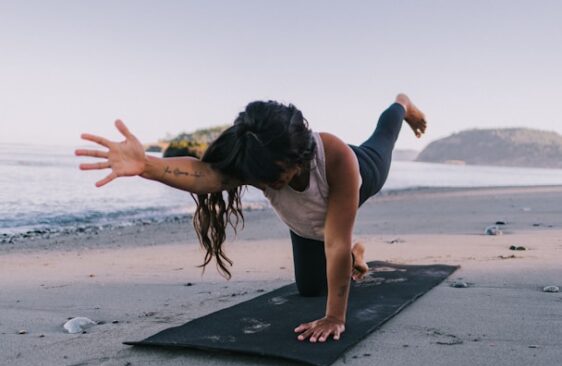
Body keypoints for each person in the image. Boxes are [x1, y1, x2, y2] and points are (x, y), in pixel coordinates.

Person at [75, 93, 426, 343]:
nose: (268, 184)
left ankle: (401, 103)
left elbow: (334, 242)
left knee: (383, 139)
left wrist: (335, 316)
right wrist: (148, 165)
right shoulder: (258, 161)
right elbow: (207, 176)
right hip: (306, 223)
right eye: (261, 179)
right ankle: (358, 254)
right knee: (309, 290)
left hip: (362, 173)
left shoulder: (336, 158)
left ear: (300, 157)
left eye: (276, 176)